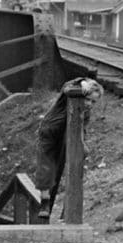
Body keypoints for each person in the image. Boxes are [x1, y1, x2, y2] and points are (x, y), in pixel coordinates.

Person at [34, 77, 103, 222]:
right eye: (88, 99)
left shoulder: (86, 112)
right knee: (46, 166)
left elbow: (82, 128)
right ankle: (45, 202)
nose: (89, 104)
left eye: (93, 102)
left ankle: (67, 210)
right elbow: (67, 86)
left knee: (69, 164)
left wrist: (83, 145)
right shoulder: (68, 96)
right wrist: (82, 82)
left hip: (67, 136)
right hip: (50, 131)